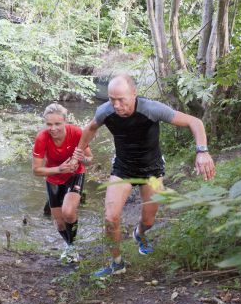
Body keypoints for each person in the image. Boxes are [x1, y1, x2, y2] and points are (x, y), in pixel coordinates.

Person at [72, 74, 216, 277]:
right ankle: (117, 263)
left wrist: (202, 151)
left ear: (134, 94)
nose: (116, 105)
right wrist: (80, 149)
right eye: (112, 99)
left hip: (152, 171)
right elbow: (90, 128)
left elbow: (194, 122)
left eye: (121, 99)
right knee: (111, 218)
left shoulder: (151, 109)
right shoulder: (105, 111)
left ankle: (139, 233)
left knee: (149, 220)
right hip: (123, 168)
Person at [32, 103, 93, 263]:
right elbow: (36, 170)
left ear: (65, 121)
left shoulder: (77, 133)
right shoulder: (42, 138)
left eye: (57, 124)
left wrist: (82, 159)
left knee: (68, 212)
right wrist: (59, 169)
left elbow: (89, 160)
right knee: (59, 224)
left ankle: (72, 248)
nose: (53, 128)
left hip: (75, 174)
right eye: (49, 124)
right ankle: (69, 246)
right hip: (53, 177)